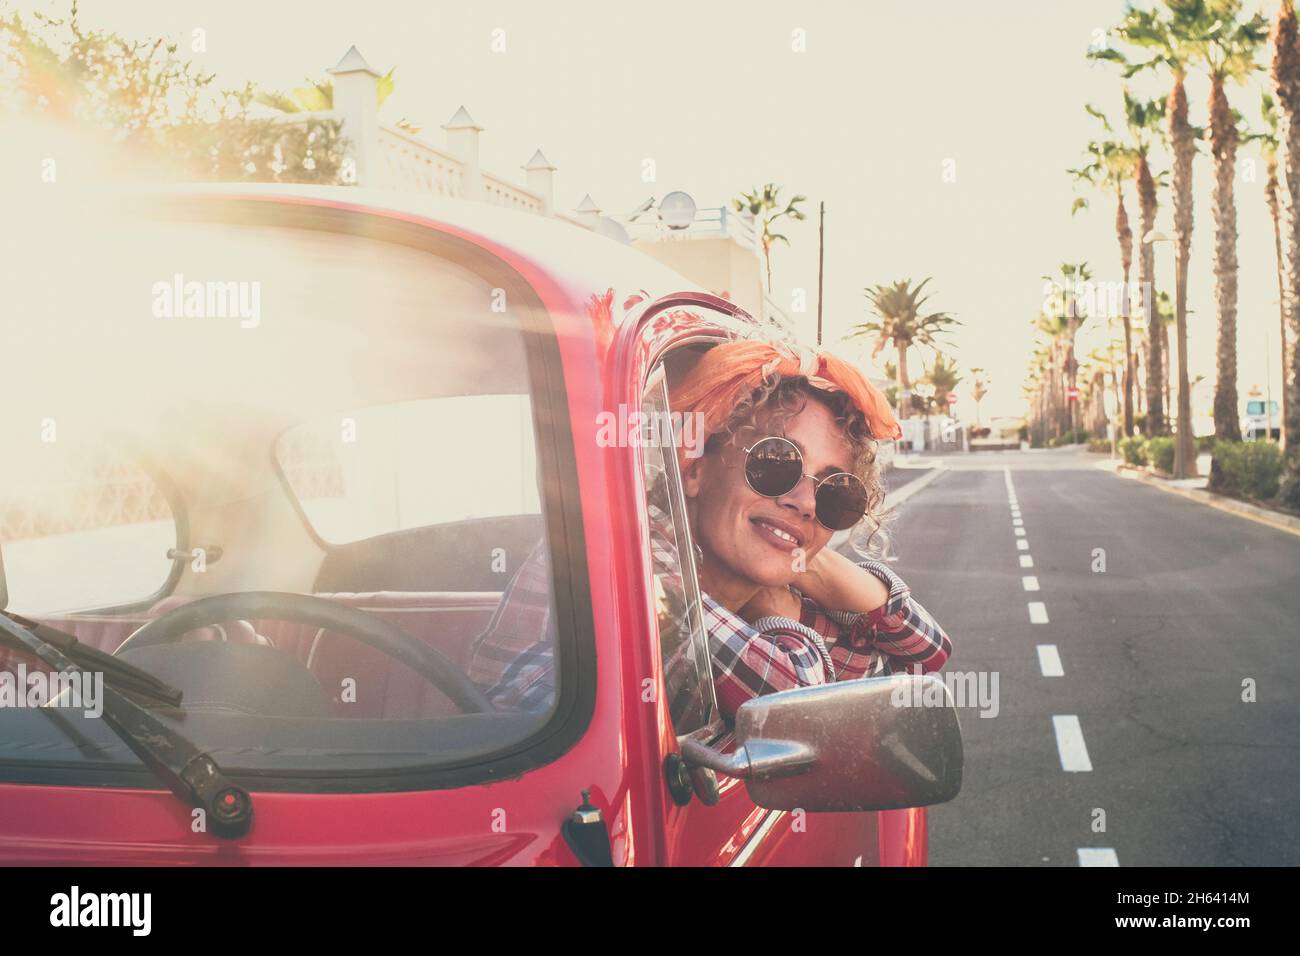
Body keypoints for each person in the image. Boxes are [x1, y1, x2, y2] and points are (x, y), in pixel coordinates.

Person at [468, 338, 951, 719]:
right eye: (776, 464)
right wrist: (781, 603)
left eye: (835, 494)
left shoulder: (747, 574)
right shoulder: (630, 552)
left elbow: (923, 654)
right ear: (694, 467)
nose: (804, 502)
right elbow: (798, 701)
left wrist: (805, 563)